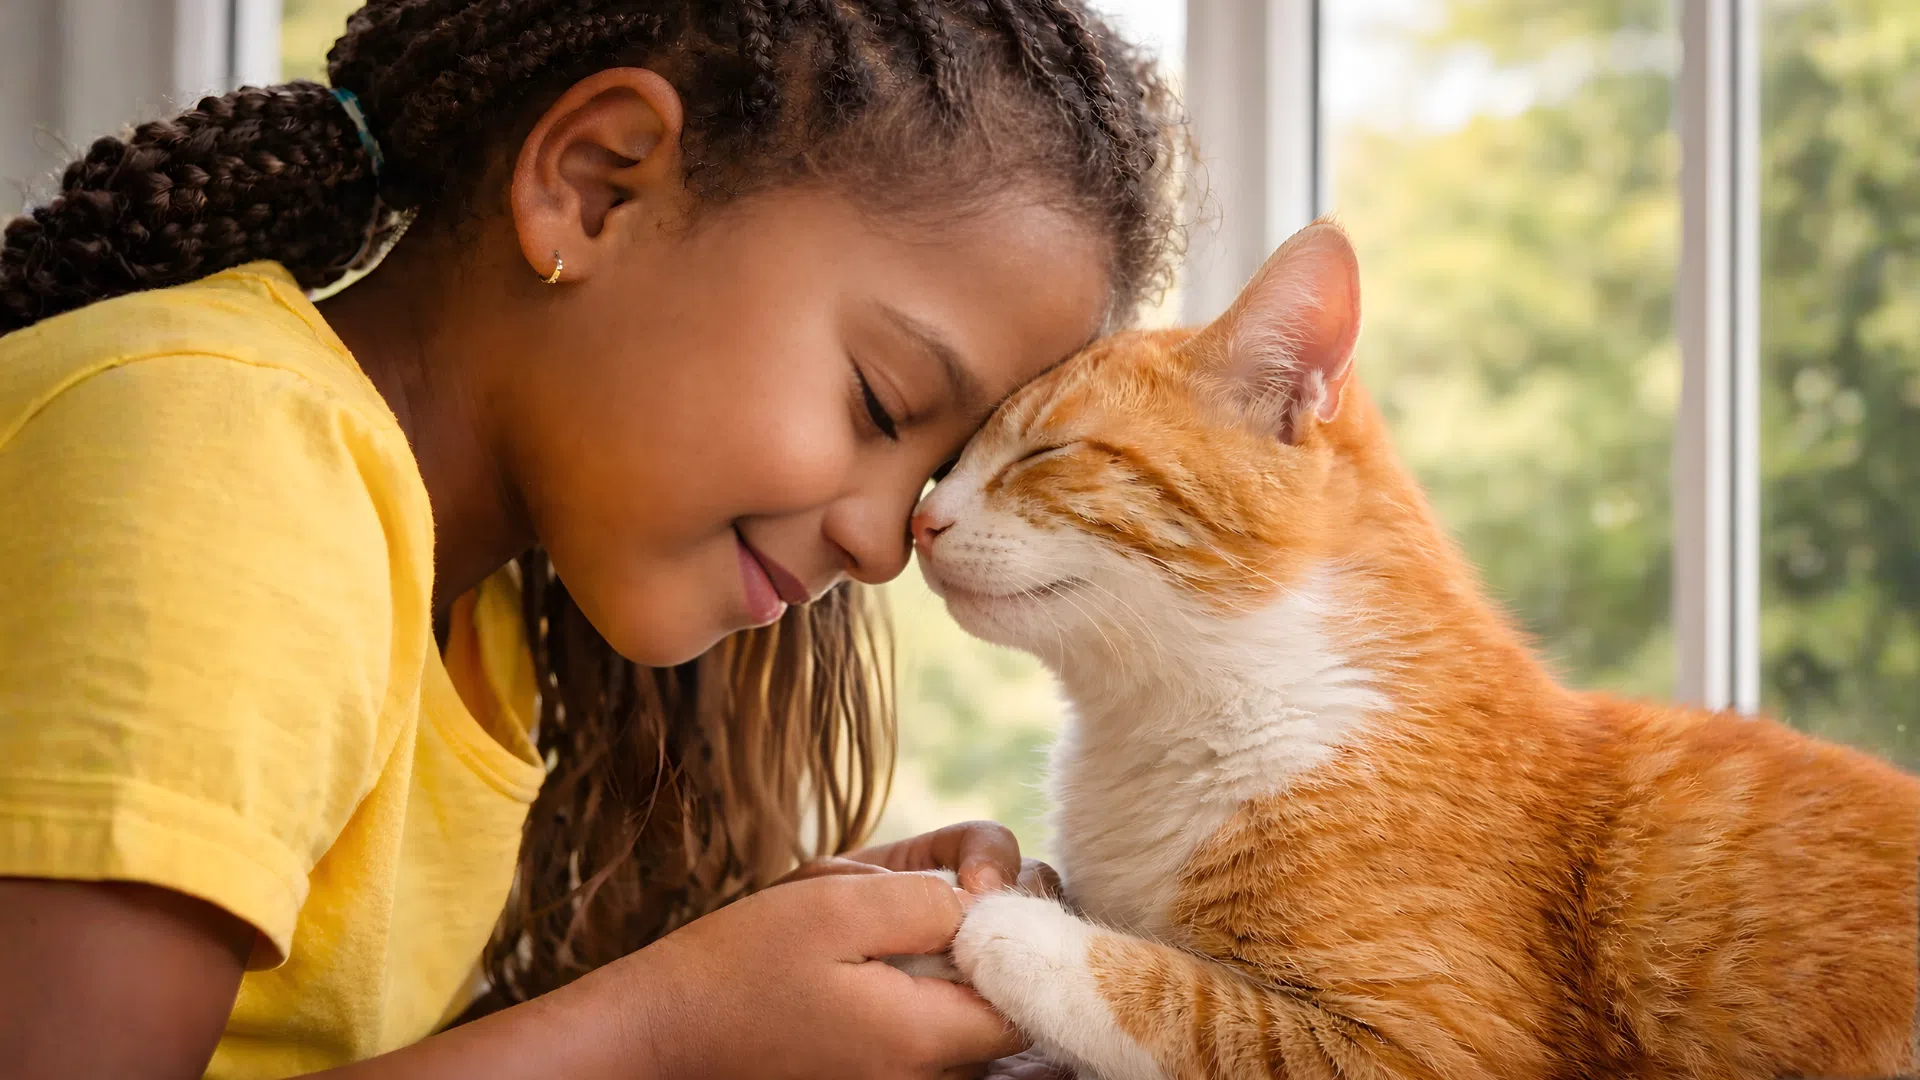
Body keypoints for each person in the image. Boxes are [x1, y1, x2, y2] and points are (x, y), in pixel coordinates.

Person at [0, 2, 1182, 1077]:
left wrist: (758, 976)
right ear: (594, 185)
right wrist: (666, 1031)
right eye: (878, 402)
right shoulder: (238, 465)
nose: (887, 549)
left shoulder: (483, 621)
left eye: (933, 471)